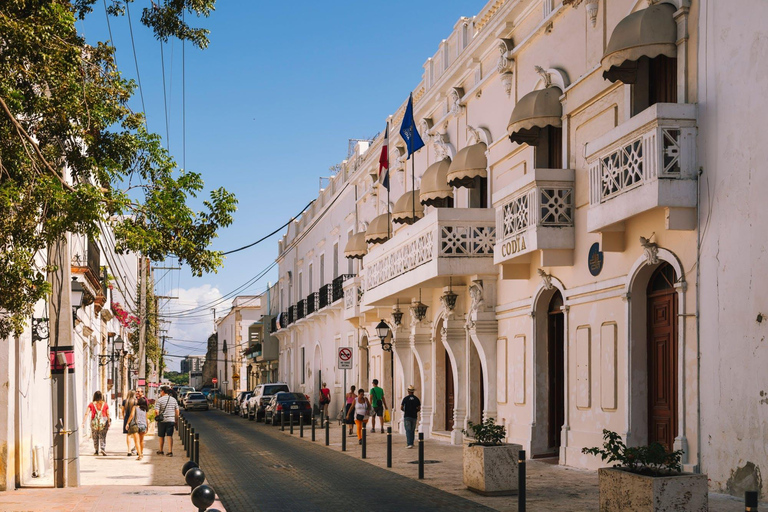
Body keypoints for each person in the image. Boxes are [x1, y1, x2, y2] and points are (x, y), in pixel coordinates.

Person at [83, 391, 110, 456]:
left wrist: (83, 422)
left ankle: (96, 450)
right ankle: (103, 448)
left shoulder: (91, 404)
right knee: (102, 436)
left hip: (94, 422)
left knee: (95, 437)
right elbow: (108, 413)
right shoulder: (105, 404)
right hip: (103, 421)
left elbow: (87, 413)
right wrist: (109, 422)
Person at [155, 386, 179, 456]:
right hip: (171, 420)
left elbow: (156, 411)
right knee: (169, 436)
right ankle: (170, 451)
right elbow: (177, 410)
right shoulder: (173, 400)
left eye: (160, 391)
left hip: (162, 421)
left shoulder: (160, 400)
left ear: (162, 391)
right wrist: (176, 420)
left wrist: (157, 418)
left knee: (161, 436)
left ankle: (161, 450)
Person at [400, 385, 421, 449]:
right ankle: (412, 442)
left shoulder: (405, 399)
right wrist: (415, 411)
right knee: (412, 430)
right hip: (414, 416)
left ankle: (409, 443)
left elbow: (401, 407)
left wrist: (405, 410)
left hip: (407, 416)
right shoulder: (416, 399)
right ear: (413, 391)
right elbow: (419, 408)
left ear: (408, 391)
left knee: (408, 430)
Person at [121, 390, 137, 456]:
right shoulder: (135, 401)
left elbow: (122, 410)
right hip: (135, 419)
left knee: (128, 434)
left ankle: (129, 450)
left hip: (127, 418)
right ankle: (137, 449)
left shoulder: (125, 401)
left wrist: (123, 417)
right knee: (136, 434)